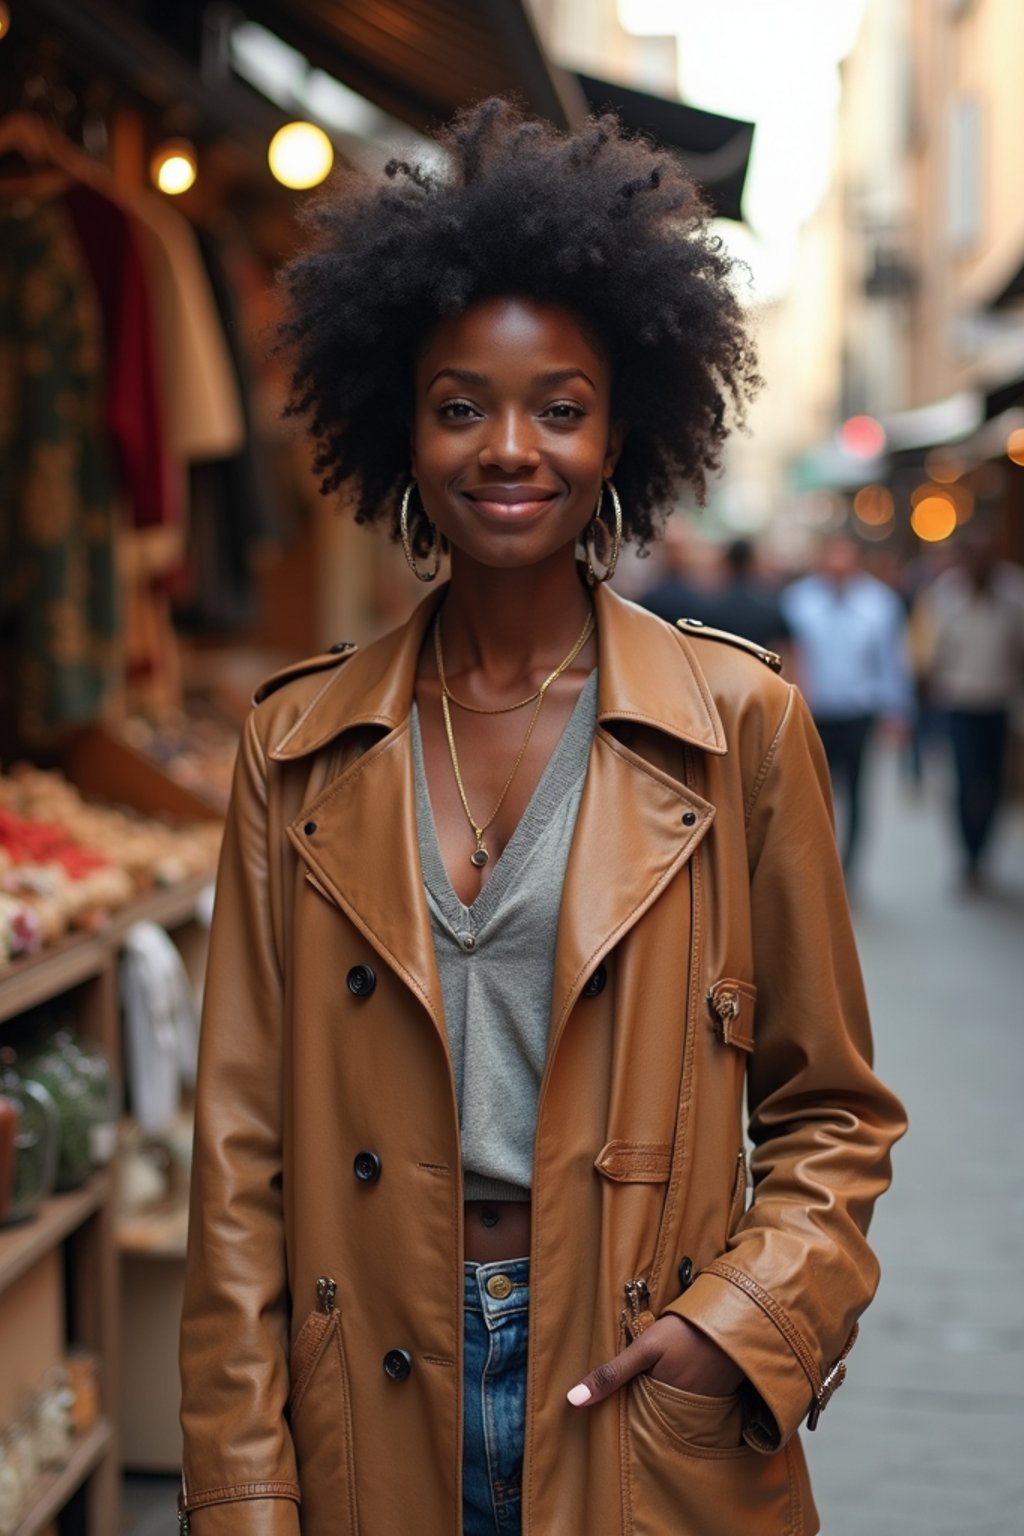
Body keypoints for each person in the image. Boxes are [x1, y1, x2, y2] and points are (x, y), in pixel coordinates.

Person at [178, 100, 905, 1536]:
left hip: (641, 1384)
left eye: (559, 408)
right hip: (367, 1381)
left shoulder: (735, 726)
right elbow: (236, 1157)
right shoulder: (300, 743)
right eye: (462, 407)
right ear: (402, 426)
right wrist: (241, 1488)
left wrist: (740, 1323)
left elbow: (831, 1112)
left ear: (621, 427)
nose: (510, 449)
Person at [781, 533, 912, 880]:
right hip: (814, 712)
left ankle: (849, 868)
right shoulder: (798, 600)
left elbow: (891, 662)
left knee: (856, 791)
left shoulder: (880, 603)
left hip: (858, 711)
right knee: (813, 792)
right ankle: (817, 864)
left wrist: (897, 711)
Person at [915, 526, 1024, 889]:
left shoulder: (1013, 591)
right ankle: (968, 854)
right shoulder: (947, 593)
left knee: (993, 782)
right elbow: (931, 648)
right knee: (964, 780)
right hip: (959, 702)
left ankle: (983, 852)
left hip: (998, 701)